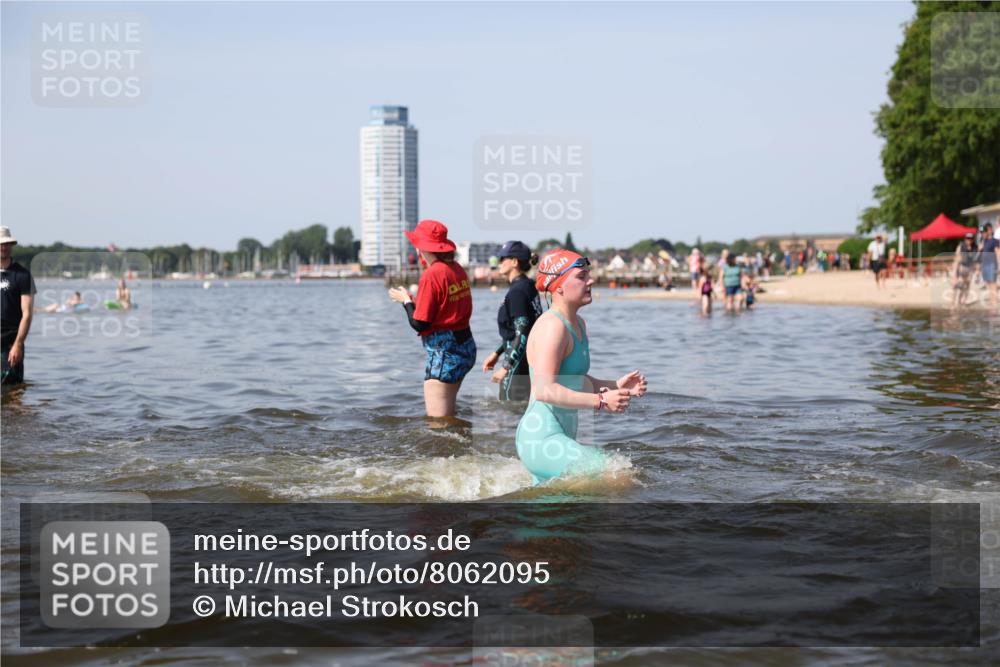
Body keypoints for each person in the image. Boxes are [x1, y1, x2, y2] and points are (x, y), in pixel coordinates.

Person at [515, 249, 647, 484]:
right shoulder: (552, 327)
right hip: (541, 439)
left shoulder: (578, 324)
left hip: (561, 436)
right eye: (581, 276)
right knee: (618, 475)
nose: (591, 280)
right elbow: (544, 390)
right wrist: (601, 401)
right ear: (559, 287)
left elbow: (576, 380)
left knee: (557, 514)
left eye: (588, 274)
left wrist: (615, 386)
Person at [388, 220, 475, 418]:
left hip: (445, 353)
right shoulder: (457, 269)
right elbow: (445, 308)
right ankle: (462, 444)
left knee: (438, 423)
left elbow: (419, 323)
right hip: (466, 348)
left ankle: (453, 448)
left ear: (423, 248)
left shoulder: (431, 274)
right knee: (449, 416)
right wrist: (412, 301)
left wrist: (405, 302)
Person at [482, 240, 542, 402]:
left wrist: (506, 367)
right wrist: (497, 353)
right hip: (527, 359)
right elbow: (521, 330)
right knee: (521, 410)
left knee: (509, 410)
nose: (499, 262)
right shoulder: (528, 286)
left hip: (517, 364)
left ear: (514, 262)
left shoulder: (517, 292)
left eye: (502, 259)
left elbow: (522, 333)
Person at [1, 226, 35, 386]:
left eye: (6, 243)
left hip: (10, 343)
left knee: (14, 392)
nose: (3, 247)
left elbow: (27, 313)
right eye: (0, 244)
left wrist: (18, 344)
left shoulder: (22, 275)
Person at [951, 233, 978, 307]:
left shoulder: (975, 247)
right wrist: (955, 274)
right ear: (965, 239)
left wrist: (975, 270)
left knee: (967, 284)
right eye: (968, 238)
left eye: (971, 239)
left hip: (970, 267)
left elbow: (975, 260)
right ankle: (954, 301)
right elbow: (956, 260)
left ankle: (963, 300)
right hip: (961, 266)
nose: (969, 240)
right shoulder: (961, 246)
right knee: (958, 284)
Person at [979, 223, 999, 309]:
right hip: (985, 265)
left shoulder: (994, 241)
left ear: (988, 231)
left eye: (983, 232)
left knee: (993, 284)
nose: (982, 234)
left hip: (992, 264)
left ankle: (994, 303)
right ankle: (992, 301)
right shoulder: (984, 241)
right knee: (988, 284)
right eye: (981, 233)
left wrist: (999, 265)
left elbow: (998, 253)